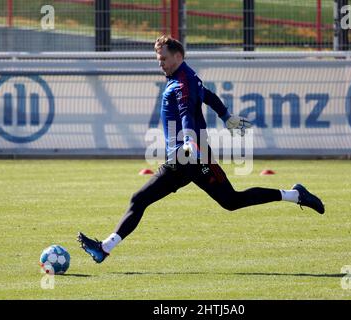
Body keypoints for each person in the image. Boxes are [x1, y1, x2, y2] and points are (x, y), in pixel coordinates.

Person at [77, 35, 325, 263]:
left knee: (140, 199)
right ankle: (295, 195)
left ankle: (104, 248)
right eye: (158, 59)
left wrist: (188, 142)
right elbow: (208, 96)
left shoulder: (182, 82)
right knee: (230, 200)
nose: (160, 63)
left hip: (189, 157)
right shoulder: (187, 77)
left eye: (163, 58)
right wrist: (225, 115)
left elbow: (186, 113)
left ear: (178, 56)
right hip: (188, 156)